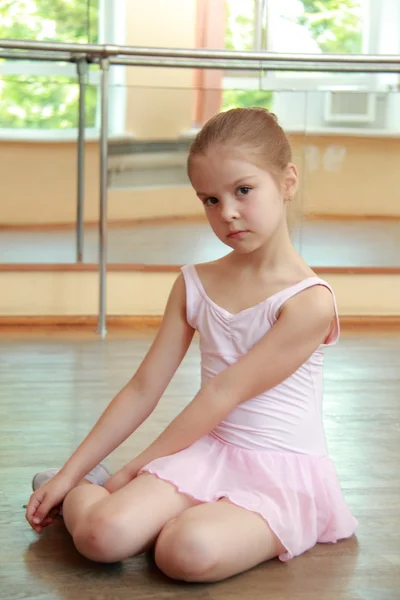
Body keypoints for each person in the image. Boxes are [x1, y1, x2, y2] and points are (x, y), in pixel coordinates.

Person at [26, 107, 357, 583]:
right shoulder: (194, 283)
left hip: (281, 476)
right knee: (103, 536)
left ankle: (141, 503)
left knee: (185, 551)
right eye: (209, 199)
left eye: (243, 190)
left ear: (287, 181)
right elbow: (144, 388)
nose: (228, 213)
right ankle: (80, 486)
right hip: (207, 451)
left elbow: (221, 394)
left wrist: (133, 472)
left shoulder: (309, 303)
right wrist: (67, 473)